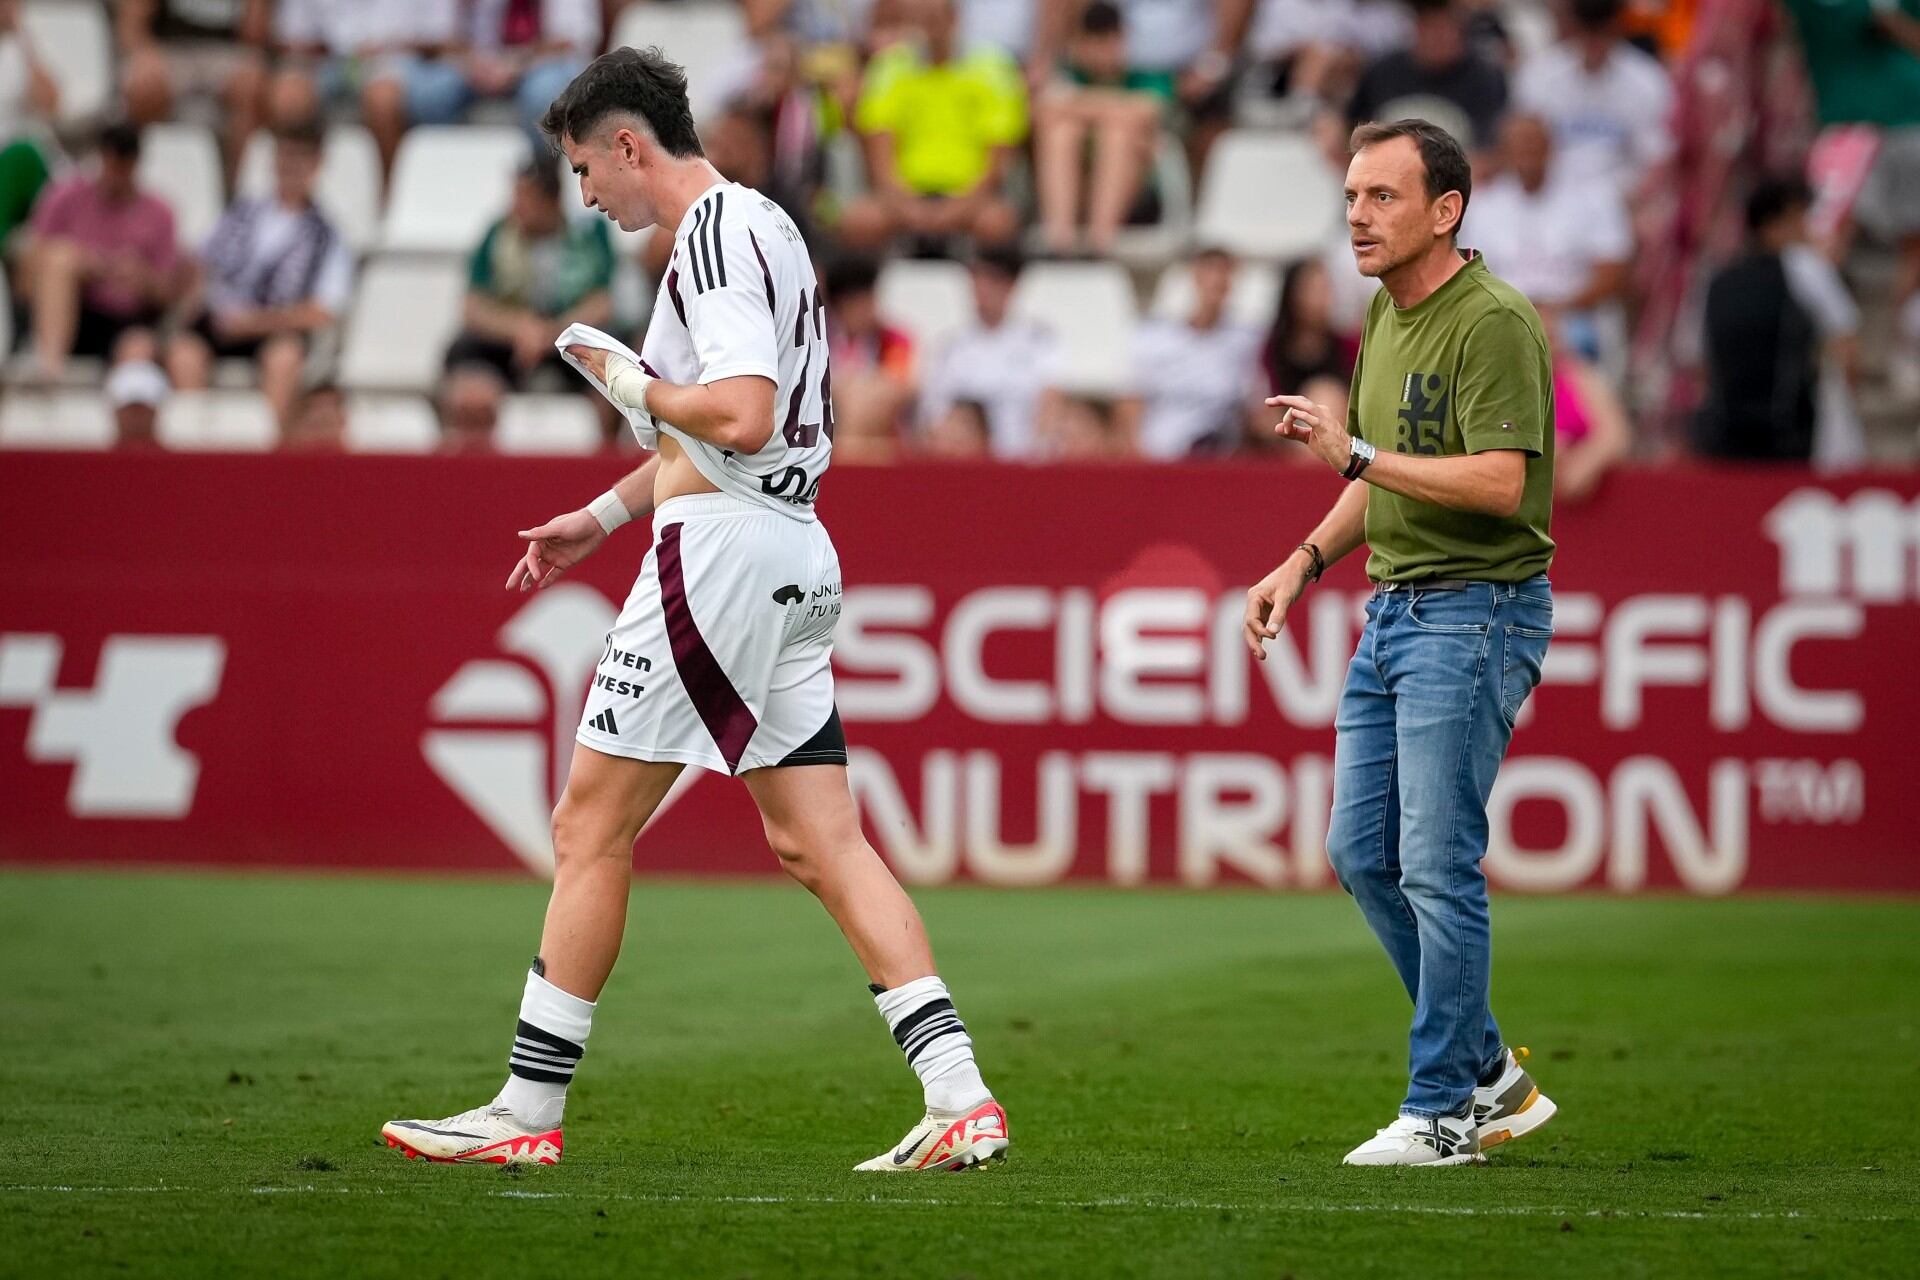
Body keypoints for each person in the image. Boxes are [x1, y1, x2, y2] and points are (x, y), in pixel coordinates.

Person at [382, 47, 1011, 1175]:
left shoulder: (713, 237)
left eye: (585, 169)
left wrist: (626, 380)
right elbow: (712, 437)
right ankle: (959, 1092)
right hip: (788, 550)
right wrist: (602, 512)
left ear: (630, 145)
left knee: (588, 825)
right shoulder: (760, 225)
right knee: (821, 841)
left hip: (719, 561)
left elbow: (736, 414)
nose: (585, 195)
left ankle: (526, 1107)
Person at [1244, 118, 1558, 1167]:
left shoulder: (1496, 320)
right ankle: (1490, 1075)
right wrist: (1302, 558)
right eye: (1351, 199)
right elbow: (1381, 480)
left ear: (1445, 210)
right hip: (1396, 610)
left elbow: (1501, 482)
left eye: (1381, 197)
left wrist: (1357, 451)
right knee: (1359, 852)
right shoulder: (1385, 311)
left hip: (1476, 610)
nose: (1358, 218)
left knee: (1435, 860)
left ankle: (1442, 1111)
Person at [166, 119, 354, 428]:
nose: (289, 166)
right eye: (284, 156)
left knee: (284, 358)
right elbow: (201, 262)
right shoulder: (239, 213)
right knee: (184, 352)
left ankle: (267, 456)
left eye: (298, 158)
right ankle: (192, 448)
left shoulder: (328, 236)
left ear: (316, 164)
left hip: (274, 329)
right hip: (221, 321)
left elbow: (324, 311)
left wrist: (258, 322)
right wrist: (196, 301)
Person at [439, 159, 616, 434]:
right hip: (507, 342)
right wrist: (520, 329)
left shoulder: (590, 234)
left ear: (552, 201)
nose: (516, 206)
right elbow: (473, 307)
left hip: (570, 338)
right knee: (465, 361)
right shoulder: (497, 233)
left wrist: (551, 333)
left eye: (526, 198)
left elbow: (602, 303)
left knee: (615, 367)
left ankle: (607, 456)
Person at [1691, 178, 1860, 464]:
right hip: (1789, 434)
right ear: (1771, 225)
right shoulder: (1804, 267)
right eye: (1799, 220)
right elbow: (1846, 341)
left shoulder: (1715, 278)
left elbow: (1702, 364)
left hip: (1724, 437)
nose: (1807, 230)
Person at [841, 0, 1026, 251]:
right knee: (859, 221)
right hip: (906, 195)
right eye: (920, 20)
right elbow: (879, 155)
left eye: (934, 18)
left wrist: (954, 211)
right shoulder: (889, 67)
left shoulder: (992, 68)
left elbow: (997, 161)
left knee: (998, 223)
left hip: (969, 198)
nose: (928, 29)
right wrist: (908, 207)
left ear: (953, 18)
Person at [16, 122, 180, 382]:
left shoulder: (160, 212)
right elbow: (28, 273)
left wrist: (142, 279)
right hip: (79, 311)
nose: (116, 175)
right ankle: (49, 368)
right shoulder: (65, 198)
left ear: (135, 164)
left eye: (124, 166)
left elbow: (169, 293)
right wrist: (84, 265)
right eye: (111, 164)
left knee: (138, 348)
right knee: (60, 258)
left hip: (128, 320)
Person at [1465, 112, 1630, 361]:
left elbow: (1613, 271)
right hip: (1504, 317)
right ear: (1504, 152)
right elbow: (1471, 275)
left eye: (1534, 143)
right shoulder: (1483, 205)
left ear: (1551, 146)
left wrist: (1556, 310)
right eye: (1519, 146)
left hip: (1574, 315)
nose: (1527, 153)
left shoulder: (1594, 197)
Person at [1033, 1, 1164, 256]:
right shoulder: (1070, 74)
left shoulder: (1146, 75)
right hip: (1080, 187)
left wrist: (1077, 105)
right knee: (1063, 134)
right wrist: (1114, 109)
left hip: (1138, 193)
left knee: (1117, 136)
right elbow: (1042, 110)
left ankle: (1099, 243)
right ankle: (1060, 242)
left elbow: (1147, 111)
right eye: (1094, 41)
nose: (1102, 50)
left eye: (1108, 41)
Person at [1511, 0, 1672, 199]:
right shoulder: (1539, 75)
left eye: (1603, 33)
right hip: (1552, 200)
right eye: (1587, 32)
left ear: (1617, 28)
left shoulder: (1648, 80)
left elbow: (1656, 160)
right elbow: (1522, 151)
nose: (1594, 44)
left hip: (1624, 201)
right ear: (1573, 27)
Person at [1116, 245, 1264, 458]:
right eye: (1210, 272)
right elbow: (1130, 398)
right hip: (1161, 454)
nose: (1217, 281)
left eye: (1224, 274)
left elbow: (1255, 407)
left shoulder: (1247, 341)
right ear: (1195, 277)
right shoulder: (1155, 337)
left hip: (1220, 455)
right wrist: (1138, 453)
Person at [916, 243, 1063, 457]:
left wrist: (1037, 460)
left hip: (1020, 462)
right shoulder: (950, 346)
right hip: (963, 462)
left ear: (1012, 285)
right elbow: (933, 417)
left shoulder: (1039, 341)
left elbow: (1050, 405)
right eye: (977, 279)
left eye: (992, 280)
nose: (983, 288)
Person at [1346, 0, 1507, 151]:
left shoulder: (1483, 78)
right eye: (1429, 27)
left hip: (1458, 175)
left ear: (1460, 32)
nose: (1436, 38)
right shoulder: (1383, 72)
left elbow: (1492, 150)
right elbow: (1351, 130)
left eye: (1443, 28)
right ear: (1416, 29)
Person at [822, 255, 916, 463]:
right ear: (841, 307)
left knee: (870, 395)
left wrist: (850, 391)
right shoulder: (820, 339)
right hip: (829, 428)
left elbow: (898, 387)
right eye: (859, 303)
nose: (868, 310)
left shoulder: (895, 339)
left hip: (883, 437)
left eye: (870, 299)